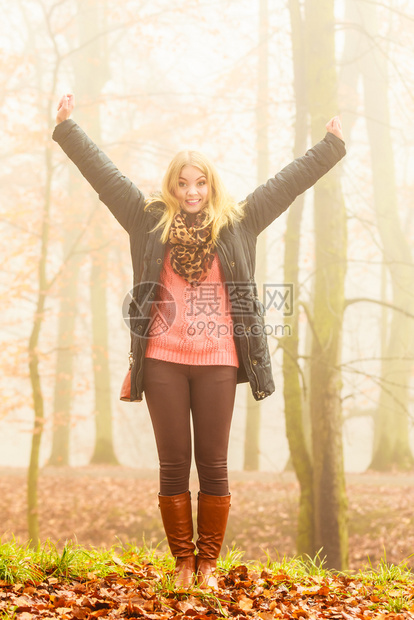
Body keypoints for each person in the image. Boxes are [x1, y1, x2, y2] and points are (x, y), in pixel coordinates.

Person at [53, 94, 346, 589]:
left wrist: (330, 146)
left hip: (217, 360)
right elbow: (105, 176)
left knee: (213, 463)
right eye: (183, 183)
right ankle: (183, 564)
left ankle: (208, 564)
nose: (192, 191)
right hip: (163, 359)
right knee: (173, 464)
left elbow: (287, 184)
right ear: (171, 186)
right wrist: (67, 127)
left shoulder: (239, 222)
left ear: (212, 185)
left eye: (200, 182)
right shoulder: (147, 220)